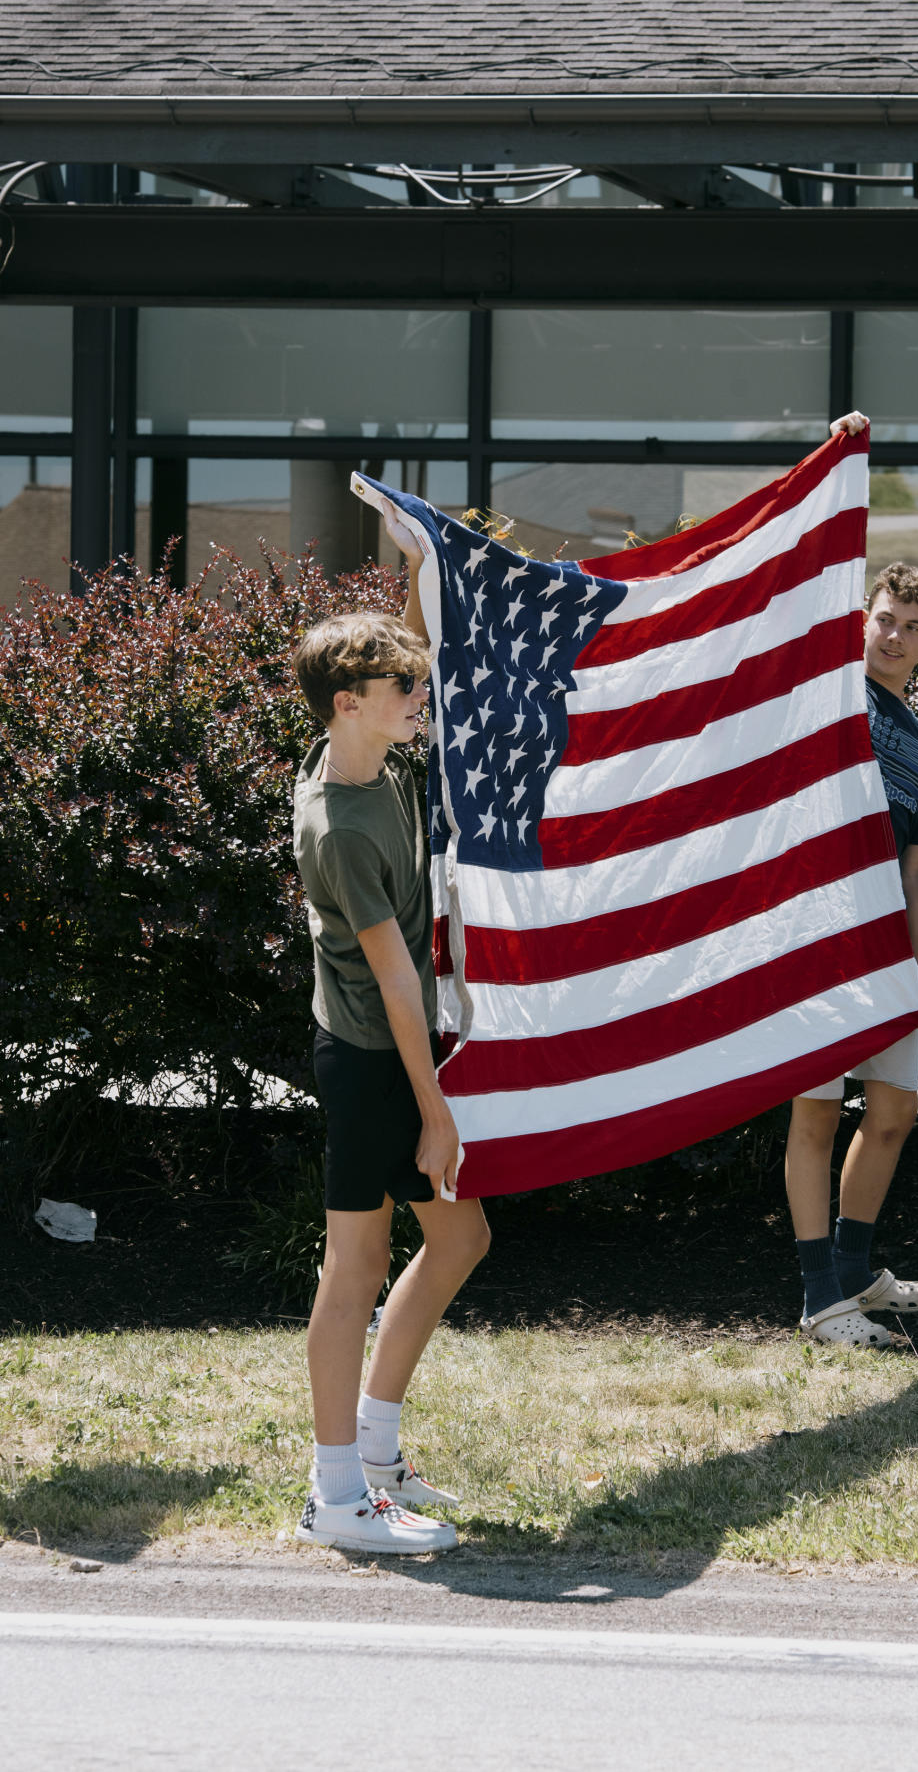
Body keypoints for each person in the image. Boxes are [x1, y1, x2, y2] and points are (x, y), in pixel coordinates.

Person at [290, 610, 490, 1553]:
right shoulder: (340, 828)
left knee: (460, 1236)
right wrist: (435, 1108)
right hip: (374, 1060)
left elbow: (393, 654)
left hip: (393, 1052)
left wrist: (420, 572)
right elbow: (397, 980)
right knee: (355, 1269)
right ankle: (337, 1495)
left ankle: (373, 1453)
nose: (420, 698)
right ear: (348, 704)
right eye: (403, 690)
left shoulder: (370, 756)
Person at [786, 413, 918, 1350]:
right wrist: (833, 453)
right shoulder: (819, 698)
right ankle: (822, 1301)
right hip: (813, 945)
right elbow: (797, 568)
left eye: (912, 628)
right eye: (883, 618)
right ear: (865, 617)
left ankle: (858, 1269)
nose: (893, 634)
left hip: (887, 954)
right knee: (815, 1113)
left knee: (892, 1112)